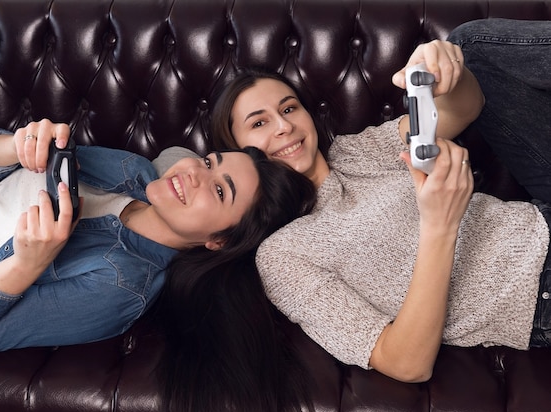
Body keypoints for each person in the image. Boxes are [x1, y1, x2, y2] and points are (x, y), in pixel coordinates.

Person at [0, 1, 317, 359]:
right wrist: (16, 145)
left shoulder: (121, 286)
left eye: (218, 190)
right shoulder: (133, 171)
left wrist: (27, 265)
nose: (194, 173)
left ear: (218, 241)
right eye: (210, 162)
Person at [208, 22, 551, 384]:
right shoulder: (282, 255)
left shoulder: (353, 152)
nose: (283, 127)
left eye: (289, 109)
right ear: (238, 152)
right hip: (538, 289)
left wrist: (450, 75)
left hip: (540, 217)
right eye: (259, 122)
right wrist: (440, 226)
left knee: (470, 47)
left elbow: (467, 107)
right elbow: (406, 363)